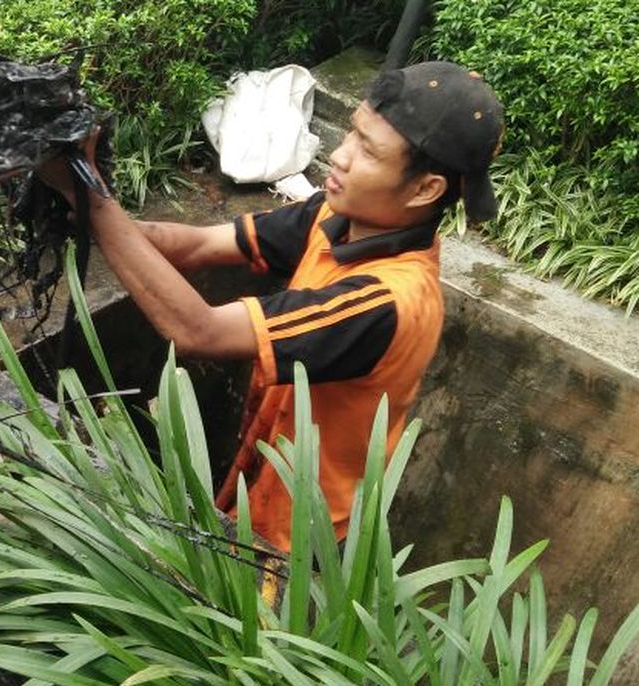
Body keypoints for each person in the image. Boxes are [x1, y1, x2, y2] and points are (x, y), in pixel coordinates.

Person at [38, 61, 504, 559]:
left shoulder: (386, 301)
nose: (340, 158)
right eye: (352, 134)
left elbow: (201, 331)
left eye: (368, 150)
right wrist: (87, 209)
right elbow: (197, 246)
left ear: (425, 189)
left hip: (296, 542)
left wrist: (91, 199)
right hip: (255, 481)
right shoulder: (336, 215)